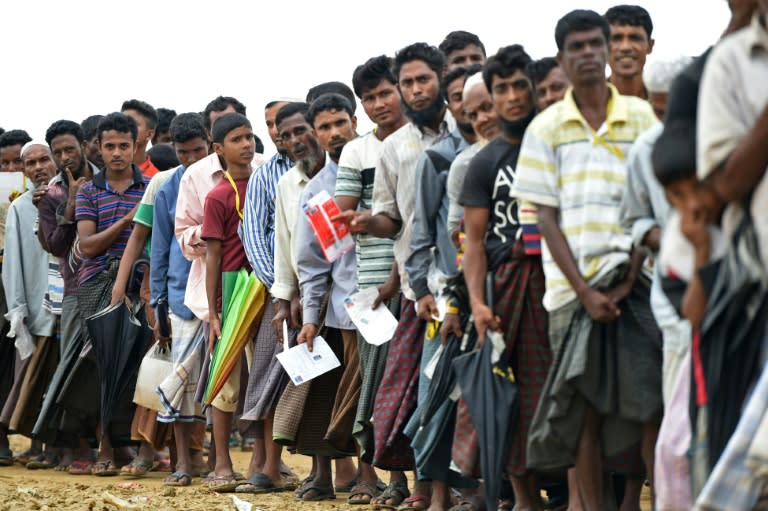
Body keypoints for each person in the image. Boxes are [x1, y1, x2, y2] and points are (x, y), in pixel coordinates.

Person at [515, 10, 660, 510]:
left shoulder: (641, 118)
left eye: (595, 43)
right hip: (570, 293)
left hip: (637, 283)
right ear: (561, 57)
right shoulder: (546, 127)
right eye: (576, 46)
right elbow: (545, 218)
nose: (589, 53)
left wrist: (626, 281)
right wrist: (586, 292)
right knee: (584, 415)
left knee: (650, 407)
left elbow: (652, 200)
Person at [363, 41, 456, 510]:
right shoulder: (394, 148)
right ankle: (429, 488)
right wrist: (365, 223)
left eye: (423, 79)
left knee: (472, 385)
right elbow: (391, 219)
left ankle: (474, 488)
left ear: (440, 77)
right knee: (427, 386)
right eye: (408, 82)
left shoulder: (466, 130)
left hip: (470, 276)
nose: (416, 90)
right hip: (421, 286)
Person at [458, 44, 550, 511]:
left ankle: (579, 497)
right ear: (491, 97)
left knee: (566, 392)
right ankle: (525, 500)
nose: (512, 97)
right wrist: (477, 302)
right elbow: (473, 243)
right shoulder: (485, 160)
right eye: (502, 90)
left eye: (520, 85)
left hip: (563, 280)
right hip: (510, 285)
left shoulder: (556, 142)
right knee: (511, 399)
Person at [333, 54, 407, 504]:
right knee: (379, 385)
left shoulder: (425, 141)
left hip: (415, 279)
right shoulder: (357, 150)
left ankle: (430, 484)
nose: (380, 103)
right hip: (373, 283)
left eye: (385, 92)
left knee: (415, 380)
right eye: (370, 97)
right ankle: (390, 480)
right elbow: (345, 211)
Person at [289, 93, 360, 502]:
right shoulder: (318, 191)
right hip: (348, 311)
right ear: (317, 134)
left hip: (398, 297)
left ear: (355, 120)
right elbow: (313, 264)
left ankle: (398, 480)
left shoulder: (379, 162)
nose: (335, 133)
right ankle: (363, 478)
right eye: (326, 127)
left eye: (340, 124)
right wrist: (311, 318)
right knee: (351, 395)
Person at [75, 112, 150, 476]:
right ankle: (104, 448)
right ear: (99, 149)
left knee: (140, 368)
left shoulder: (151, 185)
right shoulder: (89, 190)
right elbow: (87, 246)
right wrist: (127, 220)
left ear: (136, 147)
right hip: (97, 286)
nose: (117, 152)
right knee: (104, 367)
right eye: (110, 146)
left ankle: (137, 448)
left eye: (124, 145)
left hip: (141, 284)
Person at [150, 113, 212, 486]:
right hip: (180, 296)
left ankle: (218, 459)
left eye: (198, 151)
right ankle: (184, 461)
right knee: (182, 383)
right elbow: (159, 248)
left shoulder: (228, 179)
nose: (191, 159)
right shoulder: (168, 187)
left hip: (226, 293)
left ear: (209, 144)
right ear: (175, 150)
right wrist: (158, 303)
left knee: (219, 381)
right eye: (184, 152)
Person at [236, 99, 295, 492]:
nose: (280, 132)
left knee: (332, 379)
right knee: (270, 377)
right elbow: (254, 235)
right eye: (273, 125)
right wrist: (281, 287)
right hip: (280, 292)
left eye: (288, 125)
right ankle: (269, 467)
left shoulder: (331, 167)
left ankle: (346, 472)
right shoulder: (264, 176)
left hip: (330, 289)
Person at [36, 119, 99, 473]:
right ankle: (68, 444)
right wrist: (72, 204)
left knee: (106, 368)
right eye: (57, 152)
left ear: (84, 145)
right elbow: (56, 246)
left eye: (69, 149)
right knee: (72, 365)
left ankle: (110, 446)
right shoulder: (52, 195)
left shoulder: (107, 179)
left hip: (115, 285)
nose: (64, 157)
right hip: (76, 289)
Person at [202, 112, 256, 490]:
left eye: (250, 137)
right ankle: (222, 462)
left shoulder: (268, 184)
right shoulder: (218, 195)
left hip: (266, 287)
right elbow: (213, 257)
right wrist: (214, 311)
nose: (247, 144)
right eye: (237, 139)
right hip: (234, 290)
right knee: (226, 380)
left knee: (267, 374)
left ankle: (265, 463)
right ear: (219, 149)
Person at [0, 141, 57, 467]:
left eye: (43, 160)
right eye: (31, 163)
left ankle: (52, 447)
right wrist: (18, 311)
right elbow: (14, 264)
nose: (38, 167)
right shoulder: (20, 208)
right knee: (32, 382)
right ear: (24, 171)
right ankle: (37, 446)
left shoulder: (73, 198)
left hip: (63, 308)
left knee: (54, 381)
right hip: (35, 309)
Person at [604, 4, 655, 99]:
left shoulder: (665, 100)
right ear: (603, 47)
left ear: (650, 46)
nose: (625, 47)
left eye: (635, 38)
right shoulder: (585, 102)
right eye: (616, 38)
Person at [121, 99, 160, 178]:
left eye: (132, 124)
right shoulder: (102, 173)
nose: (124, 128)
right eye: (121, 122)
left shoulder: (155, 179)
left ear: (149, 134)